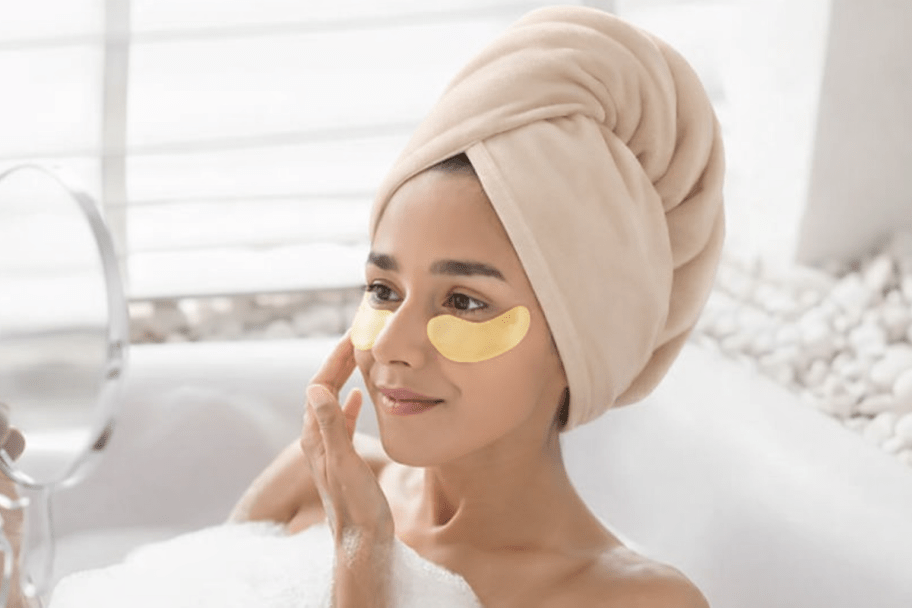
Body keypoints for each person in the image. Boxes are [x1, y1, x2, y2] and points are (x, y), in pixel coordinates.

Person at [6, 5, 725, 607]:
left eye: (466, 301)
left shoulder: (634, 600)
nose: (393, 344)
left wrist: (363, 557)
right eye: (383, 290)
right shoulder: (312, 483)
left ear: (579, 343)